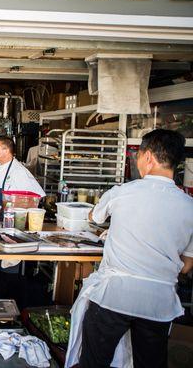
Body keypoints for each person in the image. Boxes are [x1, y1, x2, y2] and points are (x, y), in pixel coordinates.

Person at [66, 129, 193, 368]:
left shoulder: (122, 192)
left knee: (94, 363)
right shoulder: (190, 205)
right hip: (159, 304)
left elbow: (95, 216)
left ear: (148, 157)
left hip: (115, 296)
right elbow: (186, 267)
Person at [0, 136, 46, 207]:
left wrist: (17, 207)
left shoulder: (18, 170)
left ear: (6, 150)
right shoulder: (0, 166)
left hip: (10, 215)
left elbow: (38, 196)